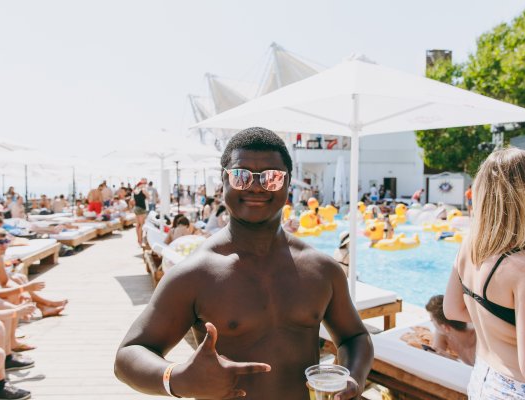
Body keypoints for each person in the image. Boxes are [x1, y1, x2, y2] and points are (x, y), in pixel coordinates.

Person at [115, 127, 373, 400]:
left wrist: (353, 377)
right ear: (224, 181)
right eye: (241, 175)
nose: (257, 186)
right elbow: (128, 356)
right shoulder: (196, 274)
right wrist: (177, 378)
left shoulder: (322, 269)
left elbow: (355, 337)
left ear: (288, 183)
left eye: (272, 177)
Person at [444, 148, 525, 396]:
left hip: (484, 380)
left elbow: (453, 310)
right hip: (521, 391)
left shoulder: (469, 246)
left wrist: (504, 327)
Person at [425, 295, 475, 366]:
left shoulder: (479, 339)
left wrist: (452, 360)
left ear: (445, 327)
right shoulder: (442, 333)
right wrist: (449, 359)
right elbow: (435, 359)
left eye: (432, 320)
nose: (431, 322)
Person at [130, 179, 151, 247]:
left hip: (136, 208)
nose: (145, 185)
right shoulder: (143, 190)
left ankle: (139, 240)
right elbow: (149, 198)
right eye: (144, 184)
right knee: (142, 225)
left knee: (138, 225)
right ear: (141, 184)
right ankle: (140, 240)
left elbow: (133, 201)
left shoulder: (134, 191)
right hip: (142, 208)